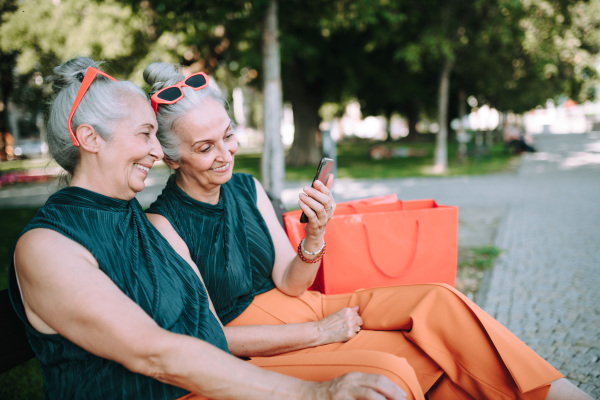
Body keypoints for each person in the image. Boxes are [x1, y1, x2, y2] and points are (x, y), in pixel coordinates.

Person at [144, 61, 594, 400]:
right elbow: (209, 338)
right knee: (410, 360)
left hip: (308, 305)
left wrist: (315, 236)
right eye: (205, 147)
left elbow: (290, 282)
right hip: (266, 344)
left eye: (228, 135)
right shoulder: (163, 223)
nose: (226, 154)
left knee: (437, 300)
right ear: (171, 158)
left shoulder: (246, 187)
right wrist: (320, 333)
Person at [8, 57, 417, 400]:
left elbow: (207, 336)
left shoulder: (140, 224)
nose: (156, 151)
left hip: (203, 385)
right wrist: (314, 391)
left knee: (389, 373)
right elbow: (153, 353)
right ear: (89, 138)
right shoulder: (48, 247)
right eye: (146, 134)